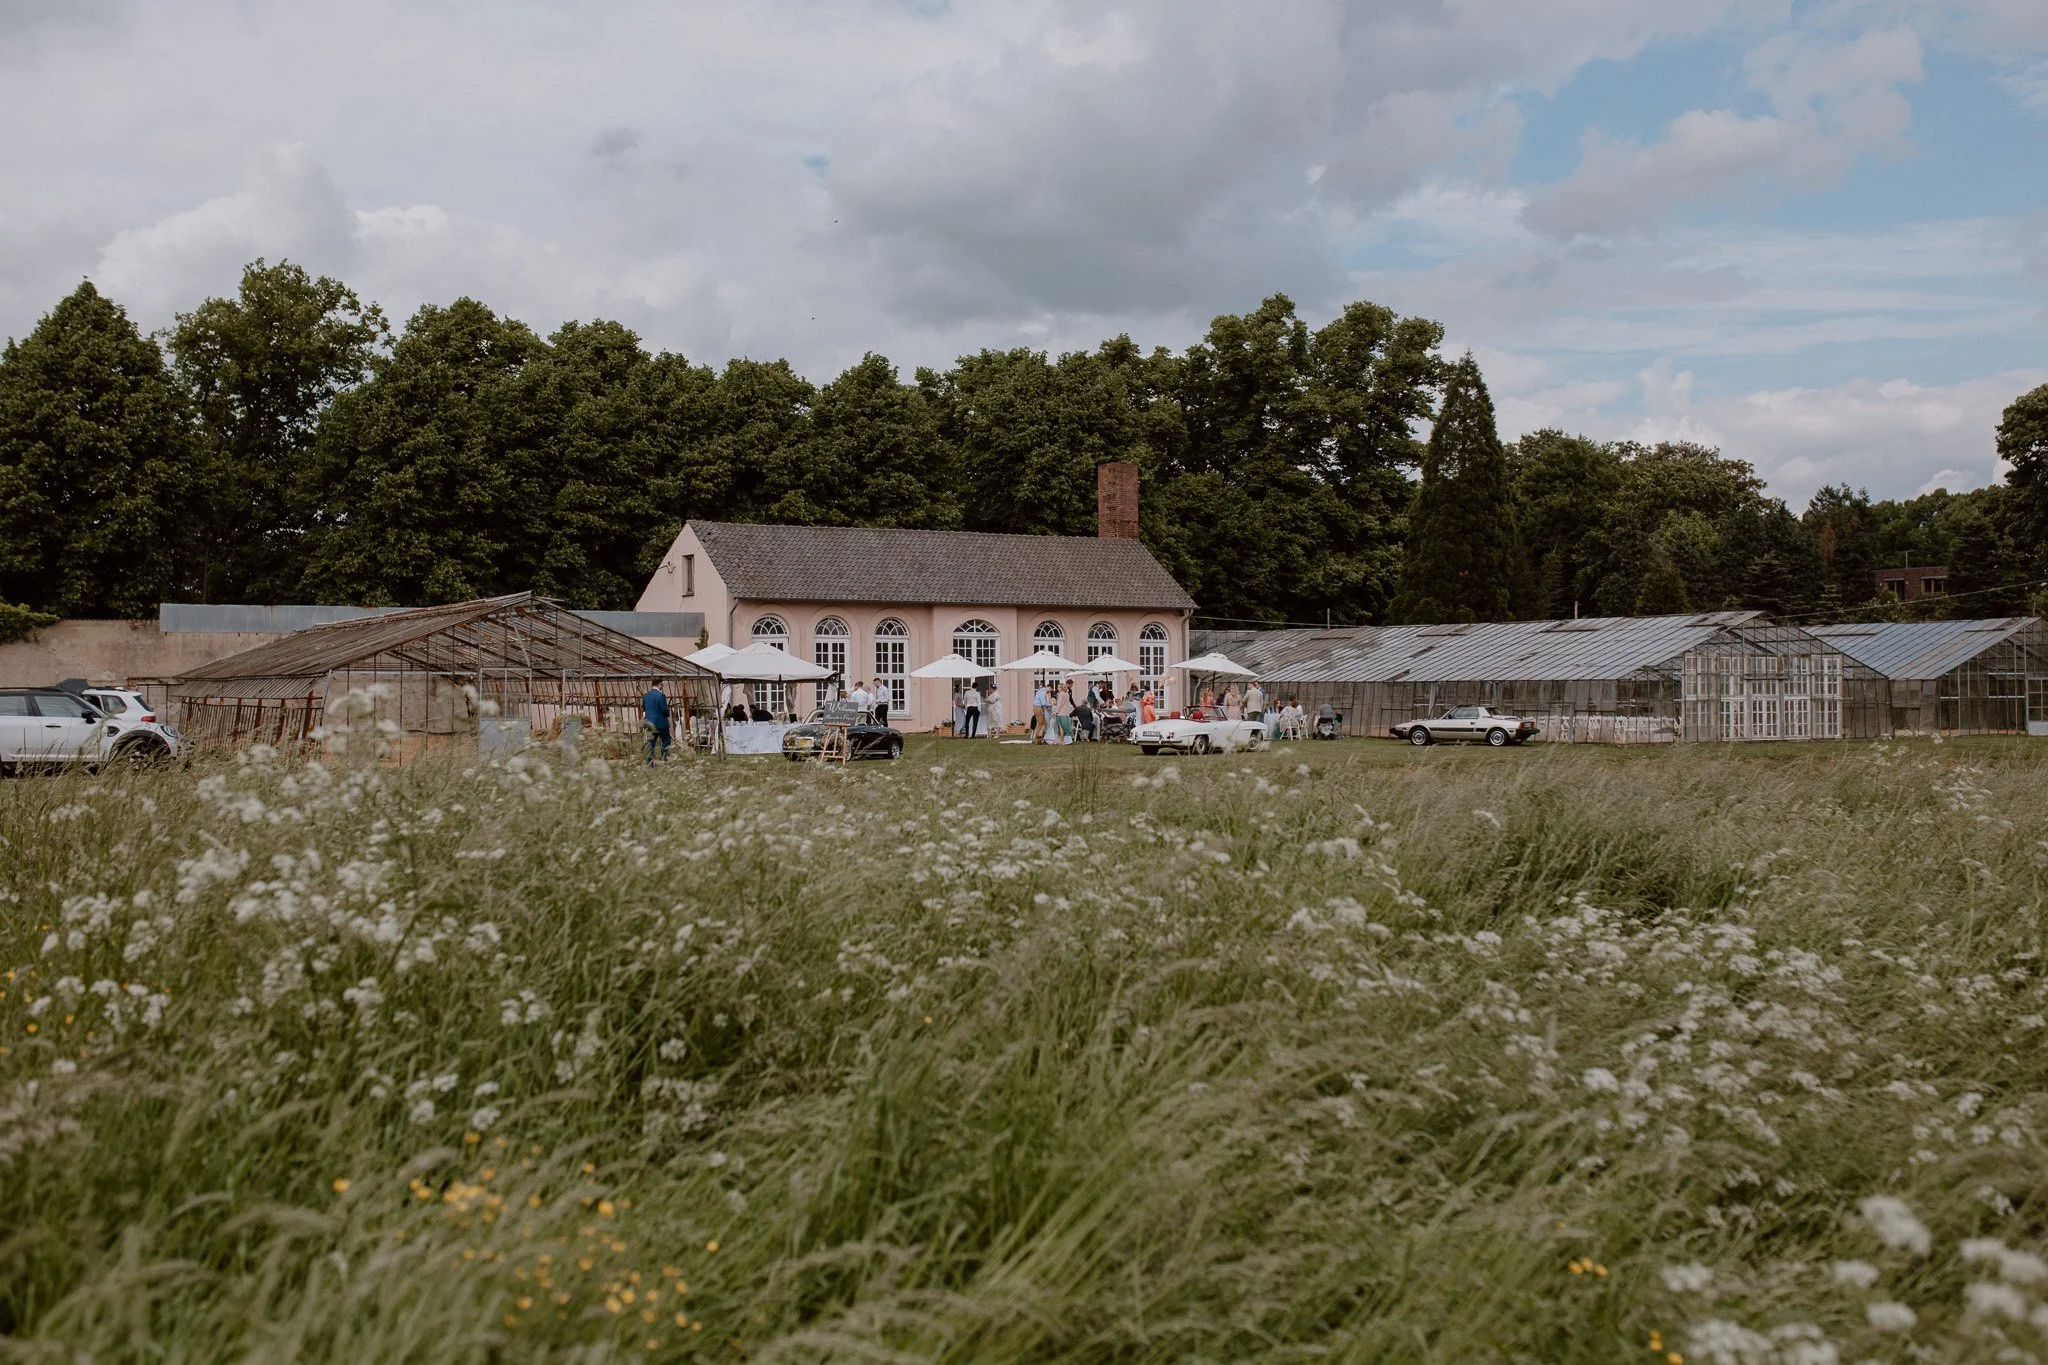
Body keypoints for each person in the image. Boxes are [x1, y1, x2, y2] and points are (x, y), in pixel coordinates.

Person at [641, 684, 672, 764]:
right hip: (661, 723)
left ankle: (649, 763)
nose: (662, 686)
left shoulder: (645, 696)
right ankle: (665, 760)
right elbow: (664, 710)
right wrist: (667, 713)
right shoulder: (661, 695)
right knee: (666, 741)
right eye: (662, 684)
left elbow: (644, 708)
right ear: (660, 684)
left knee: (650, 743)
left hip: (649, 723)